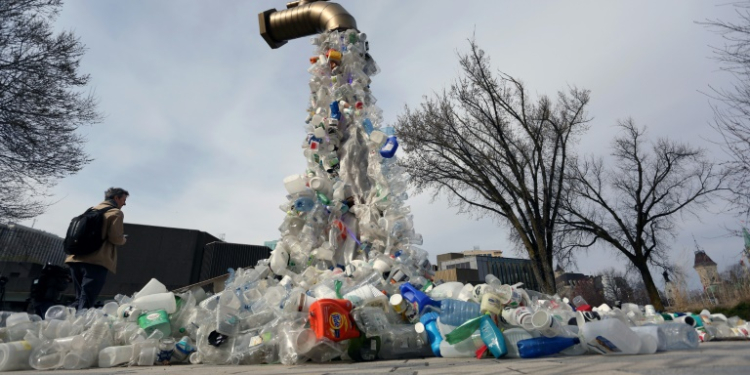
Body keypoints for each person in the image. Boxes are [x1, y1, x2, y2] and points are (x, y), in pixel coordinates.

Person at [65, 187, 128, 311]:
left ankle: (66, 322)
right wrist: (123, 239)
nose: (124, 203)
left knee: (79, 298)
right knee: (86, 300)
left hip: (75, 259)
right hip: (96, 261)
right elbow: (115, 238)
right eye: (124, 200)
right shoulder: (116, 213)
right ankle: (78, 326)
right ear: (116, 198)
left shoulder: (89, 211)